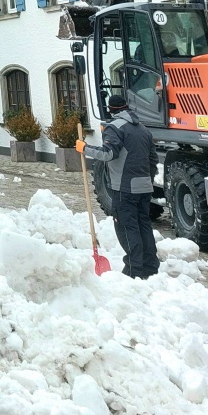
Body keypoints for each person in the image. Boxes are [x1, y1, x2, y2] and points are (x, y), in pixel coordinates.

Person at [77, 91, 159, 279]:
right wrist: (148, 179)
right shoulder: (144, 130)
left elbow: (108, 154)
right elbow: (153, 160)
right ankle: (151, 267)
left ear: (111, 110)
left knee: (127, 226)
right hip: (144, 187)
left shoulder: (114, 128)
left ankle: (133, 270)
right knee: (143, 225)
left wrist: (85, 148)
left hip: (124, 188)